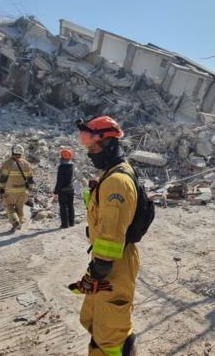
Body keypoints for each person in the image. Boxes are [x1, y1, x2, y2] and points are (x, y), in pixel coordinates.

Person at [68, 116, 139, 356]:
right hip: (109, 260)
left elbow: (111, 237)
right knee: (97, 320)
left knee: (109, 335)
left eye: (93, 148)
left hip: (113, 262)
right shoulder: (112, 174)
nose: (90, 154)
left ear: (109, 143)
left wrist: (97, 270)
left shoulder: (116, 182)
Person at [0, 144, 34, 232]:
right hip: (23, 192)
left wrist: (1, 189)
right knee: (20, 208)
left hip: (10, 192)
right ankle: (20, 223)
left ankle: (15, 221)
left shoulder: (7, 163)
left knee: (8, 206)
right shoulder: (27, 164)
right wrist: (30, 189)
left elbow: (3, 179)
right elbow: (30, 180)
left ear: (12, 151)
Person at [54, 148, 76, 229]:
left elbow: (59, 180)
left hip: (63, 190)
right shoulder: (72, 166)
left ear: (62, 157)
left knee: (63, 206)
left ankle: (64, 224)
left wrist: (56, 191)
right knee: (71, 205)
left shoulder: (61, 167)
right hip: (71, 189)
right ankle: (72, 223)